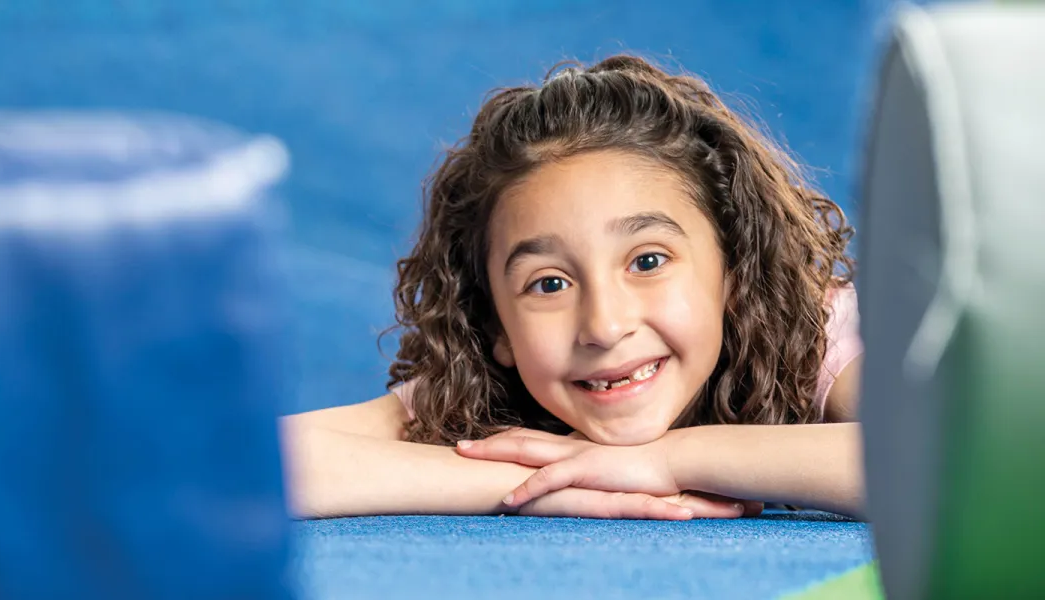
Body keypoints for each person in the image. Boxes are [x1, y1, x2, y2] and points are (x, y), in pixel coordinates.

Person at [283, 55, 863, 521]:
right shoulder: (490, 392)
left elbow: (944, 461)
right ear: (497, 328)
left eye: (648, 260)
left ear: (733, 274)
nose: (605, 326)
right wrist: (537, 483)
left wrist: (670, 460)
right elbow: (237, 468)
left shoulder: (820, 338)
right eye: (549, 283)